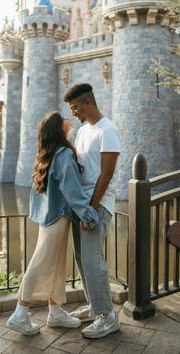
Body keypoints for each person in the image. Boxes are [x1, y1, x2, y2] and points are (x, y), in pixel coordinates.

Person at [6, 111, 98, 336]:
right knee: (40, 263)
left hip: (48, 216)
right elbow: (72, 190)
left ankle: (55, 312)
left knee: (56, 264)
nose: (69, 119)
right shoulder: (64, 153)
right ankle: (19, 314)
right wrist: (89, 215)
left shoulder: (48, 153)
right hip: (58, 217)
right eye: (64, 118)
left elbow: (39, 193)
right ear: (60, 128)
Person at [64, 83, 121, 339]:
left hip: (97, 205)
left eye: (75, 107)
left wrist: (92, 209)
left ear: (88, 102)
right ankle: (95, 306)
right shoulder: (83, 131)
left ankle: (108, 317)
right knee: (81, 259)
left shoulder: (107, 130)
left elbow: (107, 173)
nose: (73, 112)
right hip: (82, 205)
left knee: (93, 260)